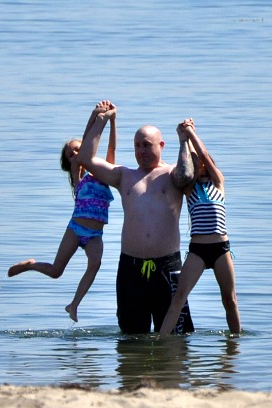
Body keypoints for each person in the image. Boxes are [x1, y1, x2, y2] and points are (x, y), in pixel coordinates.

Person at [77, 100, 196, 334]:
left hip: (167, 267)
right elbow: (85, 159)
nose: (141, 151)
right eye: (137, 145)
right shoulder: (124, 176)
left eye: (147, 145)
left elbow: (187, 175)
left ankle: (168, 373)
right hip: (131, 268)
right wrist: (101, 120)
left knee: (175, 337)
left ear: (161, 145)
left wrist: (186, 139)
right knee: (130, 337)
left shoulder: (173, 174)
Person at [7, 103, 116, 322]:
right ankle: (30, 265)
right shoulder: (78, 174)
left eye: (77, 149)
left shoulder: (103, 174)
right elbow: (87, 145)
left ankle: (74, 305)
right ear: (70, 161)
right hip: (76, 229)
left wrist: (111, 121)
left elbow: (110, 150)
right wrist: (95, 117)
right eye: (71, 153)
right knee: (57, 271)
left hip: (95, 234)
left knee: (95, 264)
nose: (76, 153)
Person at [159, 118, 241, 335]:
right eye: (199, 167)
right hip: (198, 250)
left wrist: (191, 132)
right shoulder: (189, 190)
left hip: (221, 249)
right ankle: (160, 343)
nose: (203, 168)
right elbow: (186, 169)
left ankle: (235, 345)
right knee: (179, 297)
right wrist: (182, 139)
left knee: (229, 299)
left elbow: (204, 156)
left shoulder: (218, 183)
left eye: (206, 166)